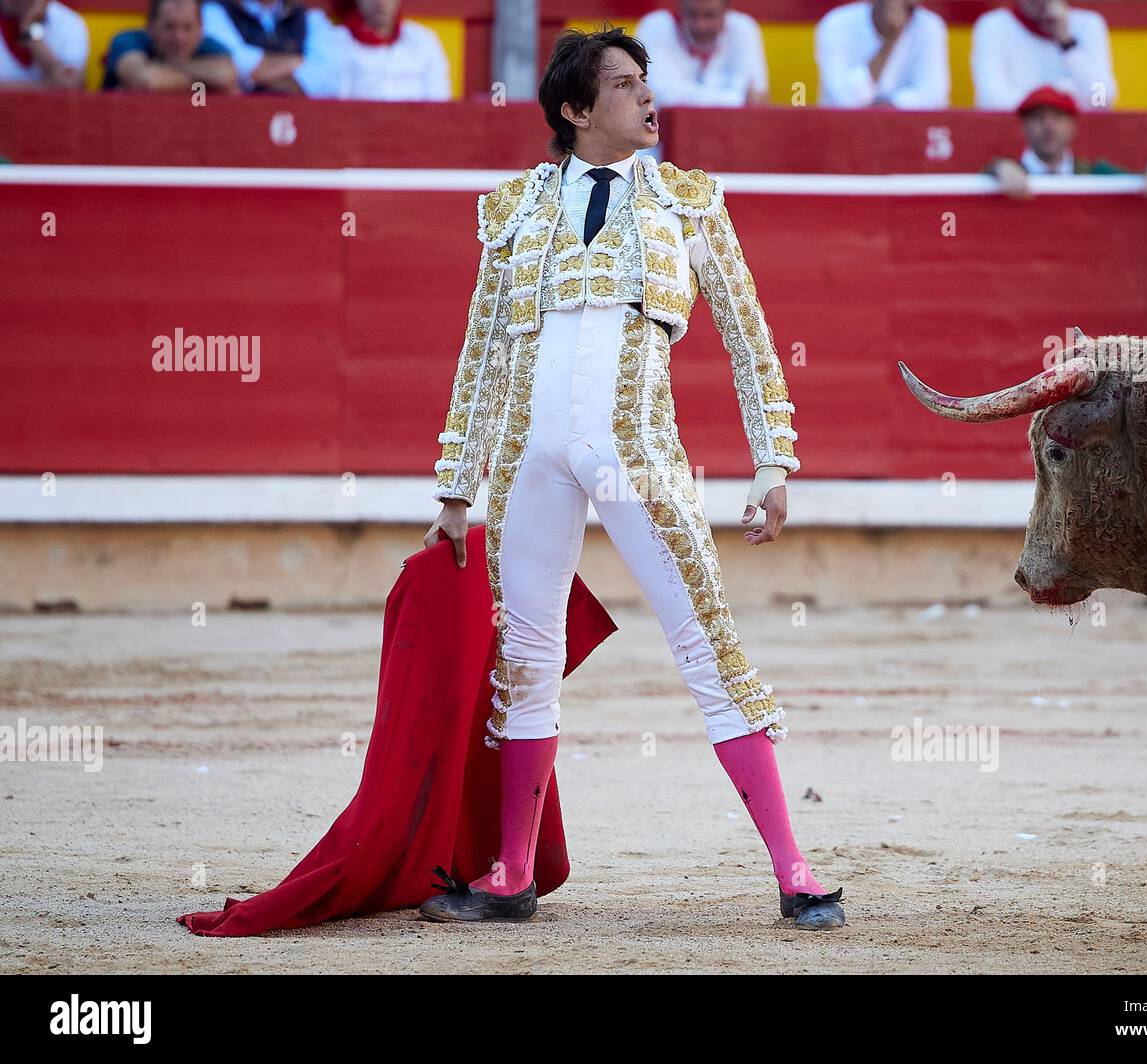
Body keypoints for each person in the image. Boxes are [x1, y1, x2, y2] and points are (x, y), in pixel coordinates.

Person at [418, 24, 844, 930]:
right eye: (622, 85)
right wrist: (457, 490)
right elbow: (482, 355)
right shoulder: (513, 210)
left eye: (646, 82)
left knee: (709, 648)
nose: (647, 98)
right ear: (575, 110)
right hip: (533, 459)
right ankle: (510, 873)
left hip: (639, 458)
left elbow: (749, 338)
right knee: (525, 662)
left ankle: (793, 865)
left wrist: (772, 460)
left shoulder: (689, 203)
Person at [985, 86, 1147, 201]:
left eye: (1058, 117)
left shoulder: (1095, 173)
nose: (1049, 126)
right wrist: (997, 168)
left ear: (1073, 127)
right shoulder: (1008, 170)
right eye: (1039, 118)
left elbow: (1144, 181)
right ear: (1023, 128)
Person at [971, 0, 1116, 111]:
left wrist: (1066, 42)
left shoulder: (1088, 24)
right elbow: (990, 101)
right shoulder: (993, 25)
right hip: (1012, 137)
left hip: (1075, 139)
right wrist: (1063, 93)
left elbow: (1102, 99)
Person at [815, 0, 949, 110]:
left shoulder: (929, 25)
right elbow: (844, 100)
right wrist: (889, 42)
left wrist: (885, 107)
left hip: (905, 130)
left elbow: (933, 96)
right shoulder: (837, 24)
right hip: (843, 132)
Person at [633, 0, 767, 107]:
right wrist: (737, 98)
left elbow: (759, 101)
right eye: (691, 14)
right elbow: (656, 95)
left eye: (710, 15)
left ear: (726, 9)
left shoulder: (743, 28)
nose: (700, 25)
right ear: (680, 6)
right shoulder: (655, 26)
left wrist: (682, 94)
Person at [199, 0, 339, 95]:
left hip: (301, 121)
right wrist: (300, 62)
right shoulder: (214, 11)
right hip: (238, 119)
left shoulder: (310, 18)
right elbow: (234, 65)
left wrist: (254, 77)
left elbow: (330, 80)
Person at [102, 0, 237, 93]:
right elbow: (143, 80)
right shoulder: (127, 40)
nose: (179, 37)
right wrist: (204, 83)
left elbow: (226, 75)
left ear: (200, 29)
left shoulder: (209, 45)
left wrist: (163, 71)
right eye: (169, 27)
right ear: (150, 26)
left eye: (187, 28)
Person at [332, 0, 451, 102]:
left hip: (415, 126)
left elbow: (438, 103)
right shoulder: (336, 42)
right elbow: (337, 106)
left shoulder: (424, 40)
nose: (380, 3)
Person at [0, 0, 86, 89]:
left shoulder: (68, 21)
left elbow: (70, 85)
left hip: (53, 103)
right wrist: (48, 87)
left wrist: (31, 30)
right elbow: (60, 88)